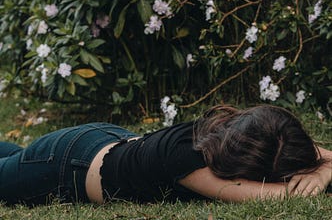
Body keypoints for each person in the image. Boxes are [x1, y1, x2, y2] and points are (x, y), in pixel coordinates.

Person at [0, 105, 331, 206]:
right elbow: (274, 197)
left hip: (100, 139)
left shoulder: (235, 134)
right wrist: (315, 176)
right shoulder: (187, 164)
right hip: (63, 165)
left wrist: (318, 171)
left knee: (15, 159)